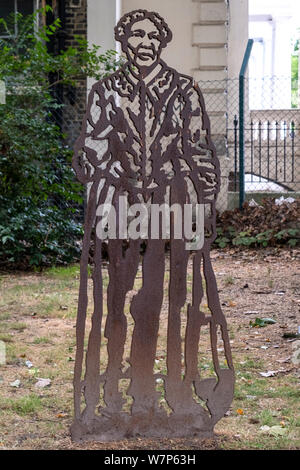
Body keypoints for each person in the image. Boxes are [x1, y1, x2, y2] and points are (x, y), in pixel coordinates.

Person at [71, 9, 234, 439]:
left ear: (161, 42)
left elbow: (198, 148)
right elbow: (92, 146)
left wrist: (204, 204)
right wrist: (103, 176)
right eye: (135, 35)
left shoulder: (183, 89)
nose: (144, 42)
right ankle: (115, 399)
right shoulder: (107, 91)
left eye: (151, 36)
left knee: (173, 302)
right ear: (124, 41)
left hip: (170, 207)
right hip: (122, 211)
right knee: (117, 303)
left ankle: (178, 395)